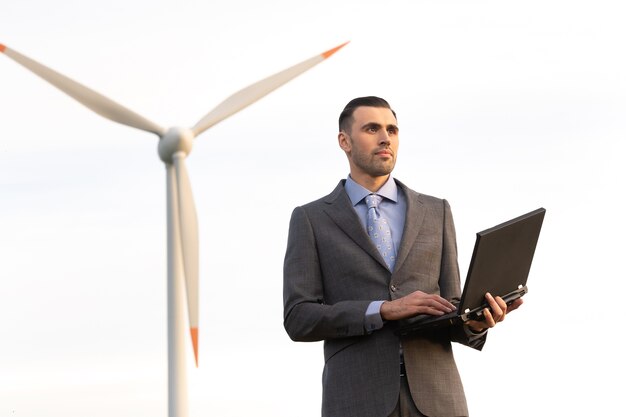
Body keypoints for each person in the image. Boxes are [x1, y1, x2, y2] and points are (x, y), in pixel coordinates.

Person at [282, 96, 522, 417]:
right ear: (345, 141)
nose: (385, 138)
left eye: (392, 130)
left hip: (438, 400)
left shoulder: (437, 211)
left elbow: (451, 306)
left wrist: (476, 321)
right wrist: (383, 310)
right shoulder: (311, 219)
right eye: (372, 128)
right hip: (356, 401)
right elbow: (299, 318)